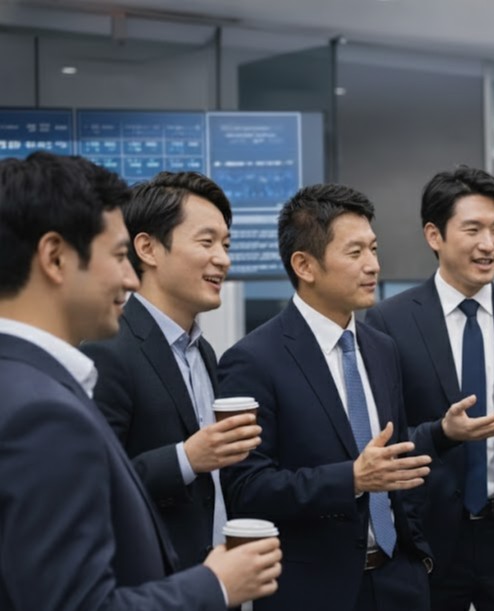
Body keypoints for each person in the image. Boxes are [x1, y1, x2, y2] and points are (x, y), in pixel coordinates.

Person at [0, 152, 281, 610]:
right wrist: (215, 583)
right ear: (54, 257)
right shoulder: (43, 410)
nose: (129, 277)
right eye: (117, 255)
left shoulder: (25, 379)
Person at [365, 166, 494, 611]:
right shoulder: (391, 321)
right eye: (473, 229)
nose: (488, 244)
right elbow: (386, 432)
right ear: (434, 235)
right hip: (432, 537)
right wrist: (442, 432)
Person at [218, 184, 434, 611]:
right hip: (312, 592)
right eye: (355, 253)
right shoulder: (253, 360)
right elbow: (247, 488)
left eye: (373, 249)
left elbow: (394, 463)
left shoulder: (381, 348)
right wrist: (351, 478)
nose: (373, 265)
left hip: (397, 582)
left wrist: (416, 559)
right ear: (305, 265)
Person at [83, 171, 261, 568]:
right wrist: (186, 458)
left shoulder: (205, 352)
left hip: (213, 577)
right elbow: (91, 482)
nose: (223, 258)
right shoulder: (108, 348)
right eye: (207, 242)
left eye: (226, 244)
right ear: (147, 248)